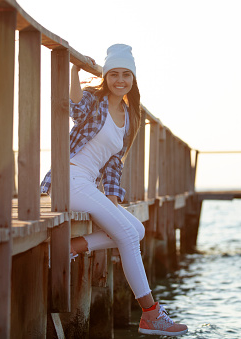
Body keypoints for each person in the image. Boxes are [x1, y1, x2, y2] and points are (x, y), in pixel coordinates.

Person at [40, 44, 188, 336]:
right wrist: (74, 69)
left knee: (137, 229)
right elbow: (72, 106)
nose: (120, 80)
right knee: (129, 236)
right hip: (68, 178)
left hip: (87, 183)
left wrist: (112, 199)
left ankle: (71, 247)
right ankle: (150, 313)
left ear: (133, 79)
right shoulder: (95, 101)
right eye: (114, 74)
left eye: (126, 75)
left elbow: (113, 163)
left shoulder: (130, 115)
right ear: (106, 77)